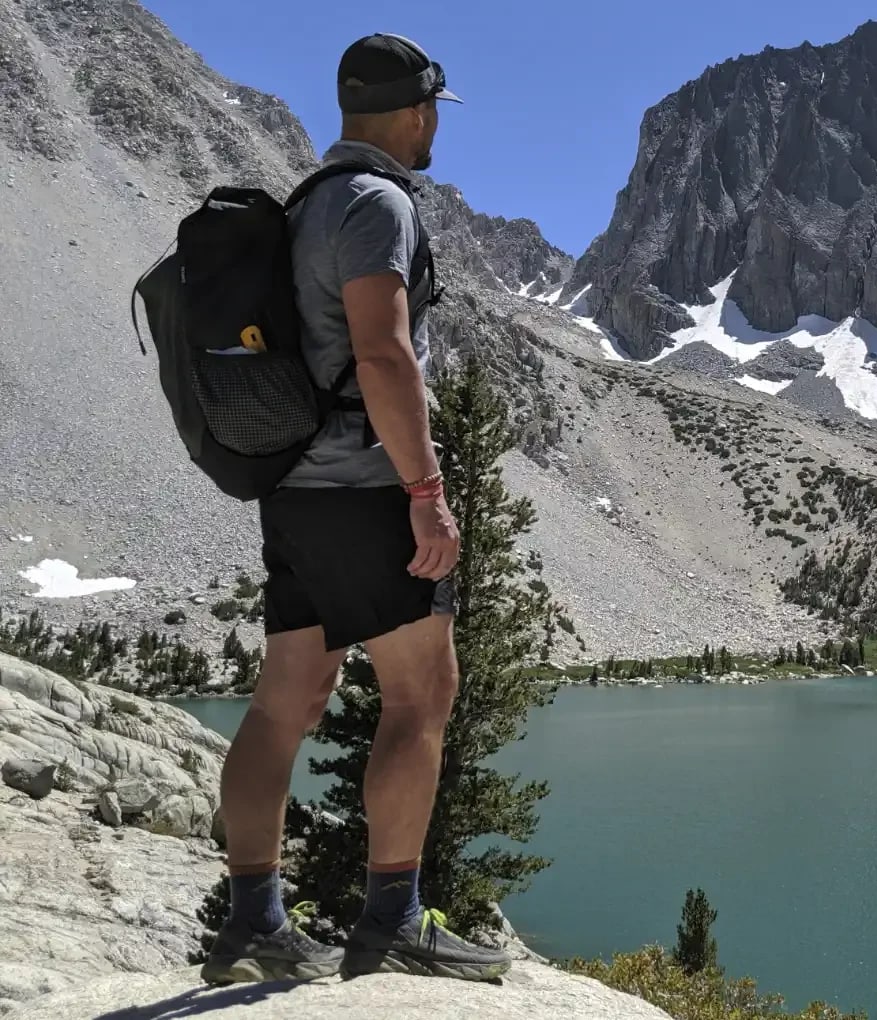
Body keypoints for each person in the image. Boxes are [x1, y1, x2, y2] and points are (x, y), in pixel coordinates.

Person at [199, 33, 512, 985]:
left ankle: (253, 917)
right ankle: (393, 922)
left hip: (291, 486)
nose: (432, 133)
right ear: (416, 114)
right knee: (422, 695)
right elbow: (384, 353)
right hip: (364, 489)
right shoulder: (377, 203)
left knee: (286, 699)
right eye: (431, 117)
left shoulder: (307, 203)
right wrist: (426, 494)